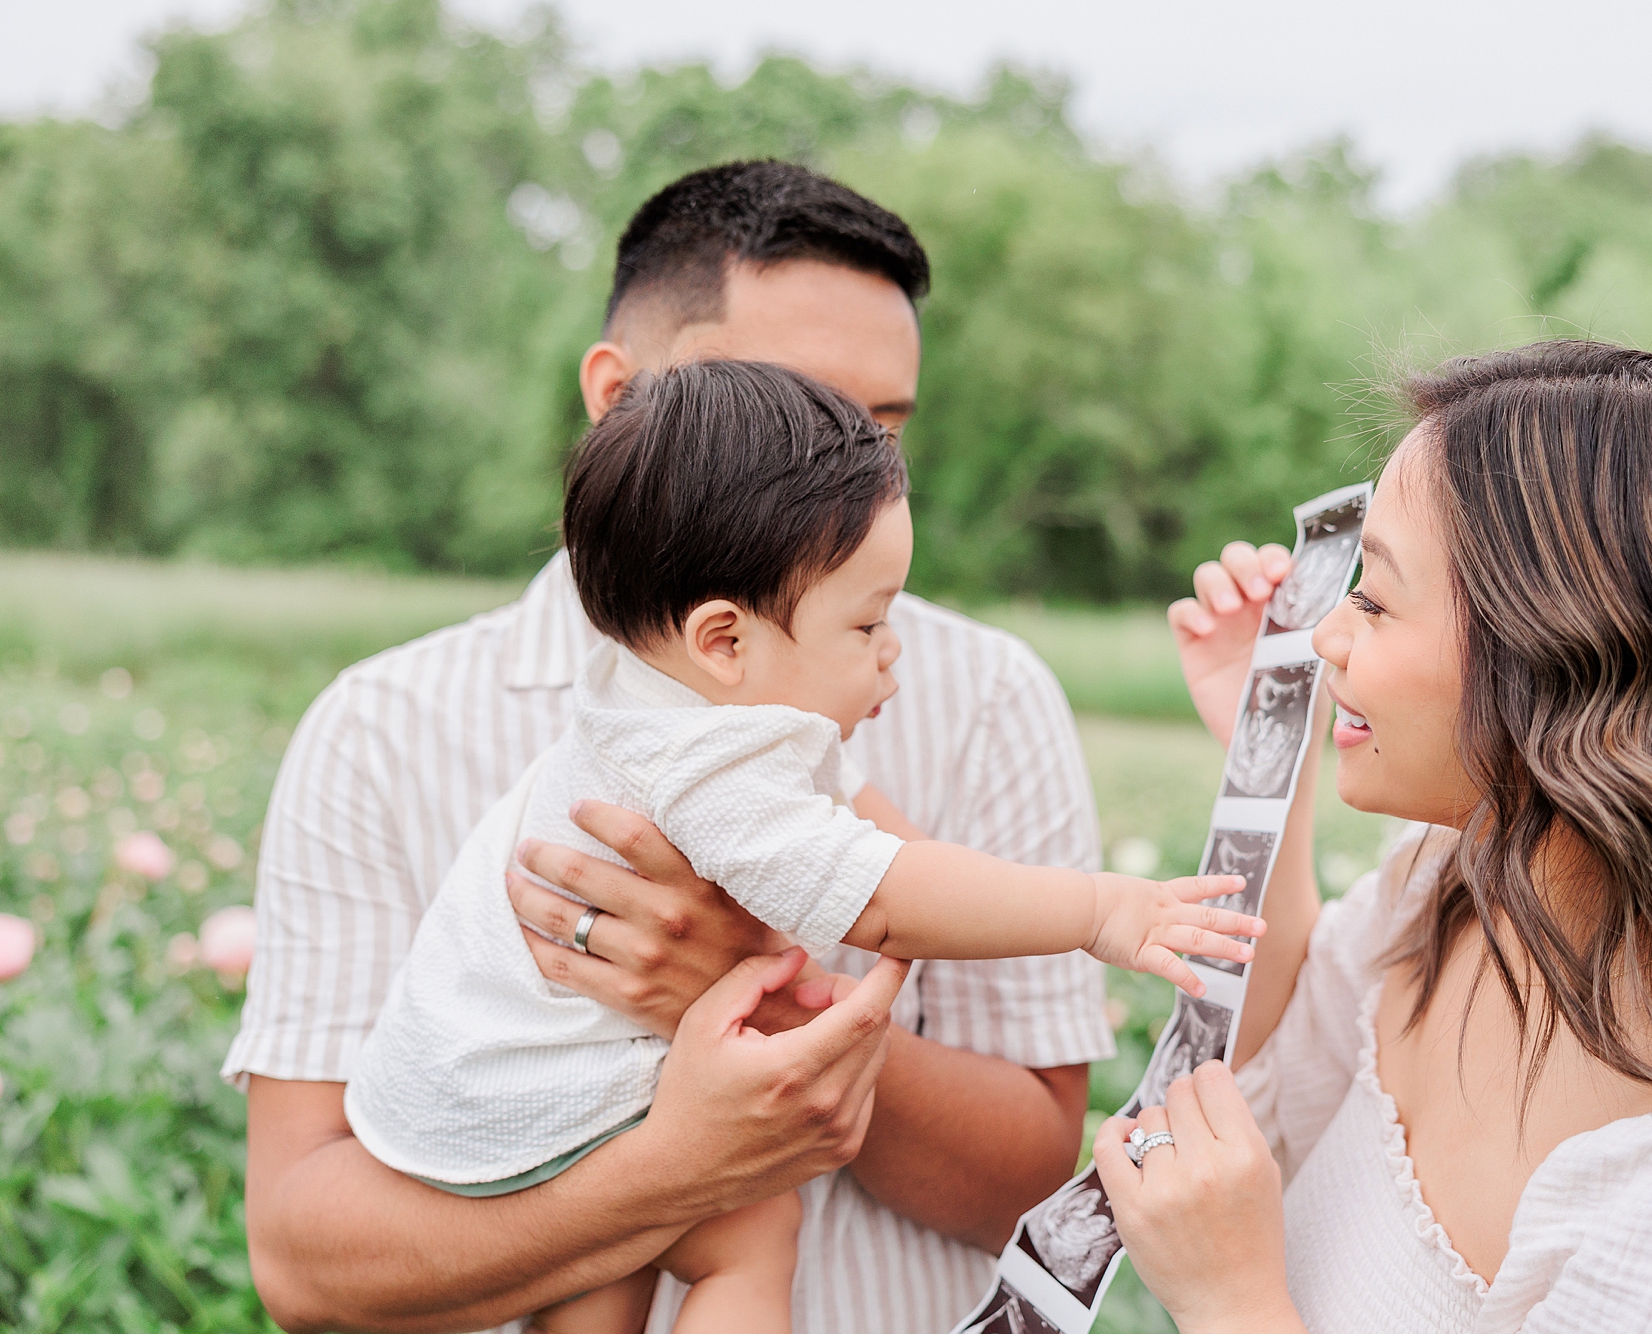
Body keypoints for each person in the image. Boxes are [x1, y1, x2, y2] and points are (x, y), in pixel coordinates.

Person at [231, 162, 1118, 1334]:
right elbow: (305, 1267)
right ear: (617, 397)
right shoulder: (382, 728)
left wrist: (745, 987)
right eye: (785, 403)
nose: (839, 465)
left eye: (881, 430)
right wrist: (667, 1174)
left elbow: (1033, 1177)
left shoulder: (991, 696)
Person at [1091, 340, 1652, 1333]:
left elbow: (1243, 1237)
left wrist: (1234, 1306)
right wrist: (1267, 762)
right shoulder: (1449, 889)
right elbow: (1273, 1074)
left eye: (1375, 597)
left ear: (1559, 657)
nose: (1322, 637)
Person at [345, 361, 1256, 1333]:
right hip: (529, 1098)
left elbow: (874, 828)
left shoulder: (649, 694)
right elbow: (887, 892)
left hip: (486, 1084)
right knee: (750, 1228)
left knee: (601, 1270)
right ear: (724, 640)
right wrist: (1098, 909)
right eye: (865, 621)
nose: (889, 648)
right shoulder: (714, 766)